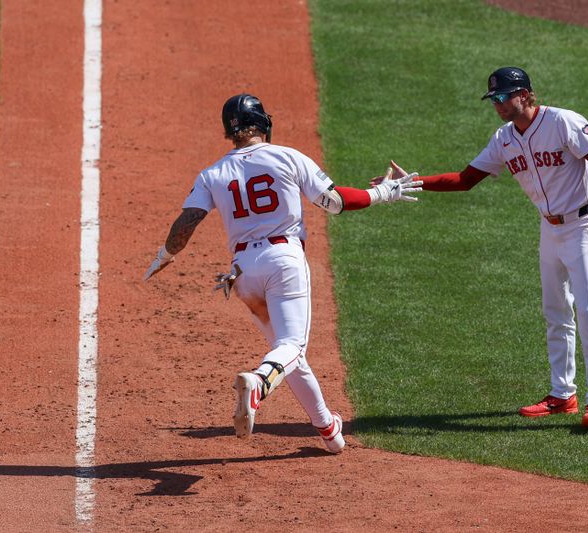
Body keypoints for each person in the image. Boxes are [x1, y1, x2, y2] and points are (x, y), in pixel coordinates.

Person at [144, 93, 423, 452]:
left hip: (243, 273)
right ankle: (259, 383)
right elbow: (335, 202)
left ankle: (327, 430)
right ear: (262, 123)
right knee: (291, 346)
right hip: (283, 260)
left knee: (288, 353)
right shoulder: (287, 157)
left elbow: (187, 221)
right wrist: (383, 192)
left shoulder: (212, 173)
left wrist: (166, 253)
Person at [382, 67, 588, 429]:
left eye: (504, 97)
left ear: (524, 94)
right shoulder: (504, 138)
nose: (499, 105)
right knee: (555, 311)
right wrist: (413, 182)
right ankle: (562, 394)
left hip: (584, 224)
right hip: (549, 229)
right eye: (494, 99)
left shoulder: (562, 122)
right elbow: (465, 180)